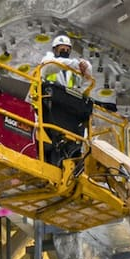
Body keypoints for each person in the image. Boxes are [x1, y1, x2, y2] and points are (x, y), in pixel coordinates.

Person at [36, 34, 94, 167]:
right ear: (55, 49)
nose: (65, 52)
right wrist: (75, 64)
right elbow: (52, 65)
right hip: (49, 107)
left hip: (69, 109)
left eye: (67, 49)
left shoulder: (72, 69)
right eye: (62, 49)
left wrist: (86, 67)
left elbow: (87, 78)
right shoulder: (49, 60)